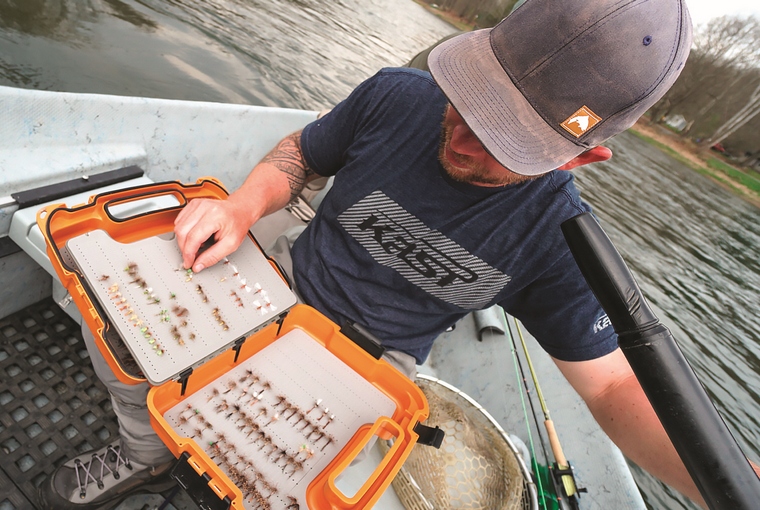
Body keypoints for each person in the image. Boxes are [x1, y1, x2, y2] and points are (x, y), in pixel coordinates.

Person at [38, 0, 718, 508]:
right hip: (281, 278)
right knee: (119, 321)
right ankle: (143, 452)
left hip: (373, 361)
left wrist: (727, 483)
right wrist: (244, 205)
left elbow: (614, 386)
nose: (463, 135)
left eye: (505, 140)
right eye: (469, 98)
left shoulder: (562, 238)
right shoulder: (397, 93)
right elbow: (303, 152)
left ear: (586, 154)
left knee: (294, 485)